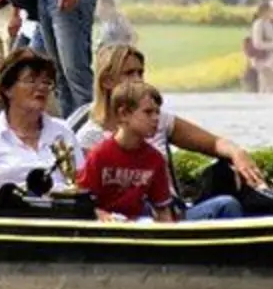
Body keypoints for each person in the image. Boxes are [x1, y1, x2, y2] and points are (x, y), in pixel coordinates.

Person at [78, 44, 267, 189]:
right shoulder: (90, 136)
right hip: (127, 220)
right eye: (129, 73)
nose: (138, 79)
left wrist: (237, 153)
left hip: (172, 214)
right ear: (107, 81)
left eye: (140, 72)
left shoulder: (158, 120)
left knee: (227, 200)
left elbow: (213, 143)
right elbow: (90, 193)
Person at [77, 80, 242, 222]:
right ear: (124, 114)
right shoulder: (100, 155)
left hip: (140, 224)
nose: (156, 118)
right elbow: (79, 203)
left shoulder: (154, 159)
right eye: (148, 112)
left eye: (157, 112)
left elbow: (163, 210)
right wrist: (102, 215)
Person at [0, 48, 81, 189]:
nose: (41, 87)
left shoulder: (62, 131)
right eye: (31, 81)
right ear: (7, 89)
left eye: (46, 82)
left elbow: (81, 183)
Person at [247, 0, 273, 93]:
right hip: (262, 57)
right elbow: (257, 43)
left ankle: (268, 99)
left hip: (270, 56)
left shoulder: (269, 23)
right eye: (269, 10)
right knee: (265, 82)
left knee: (269, 83)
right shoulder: (258, 24)